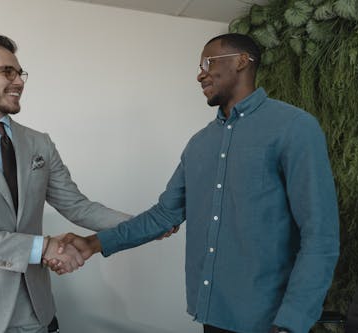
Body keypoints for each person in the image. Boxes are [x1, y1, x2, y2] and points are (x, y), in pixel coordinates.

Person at [52, 33, 340, 333]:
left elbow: (320, 235)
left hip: (271, 320)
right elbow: (164, 215)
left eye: (207, 62)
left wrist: (293, 322)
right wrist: (92, 244)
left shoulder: (294, 127)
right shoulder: (199, 144)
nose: (200, 74)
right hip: (213, 313)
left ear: (242, 61)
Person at [0, 33, 134, 333]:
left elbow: (77, 206)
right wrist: (43, 247)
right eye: (7, 71)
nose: (19, 81)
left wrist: (145, 224)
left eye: (20, 73)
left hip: (33, 309)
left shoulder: (39, 143)